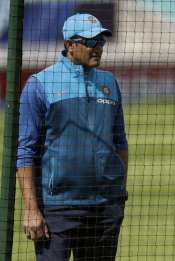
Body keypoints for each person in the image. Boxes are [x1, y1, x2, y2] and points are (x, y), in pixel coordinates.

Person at [17, 13, 128, 261]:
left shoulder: (109, 82)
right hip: (57, 209)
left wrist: (118, 193)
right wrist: (31, 210)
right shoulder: (40, 84)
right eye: (90, 42)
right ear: (69, 45)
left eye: (101, 41)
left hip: (104, 209)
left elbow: (120, 142)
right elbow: (25, 152)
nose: (97, 48)